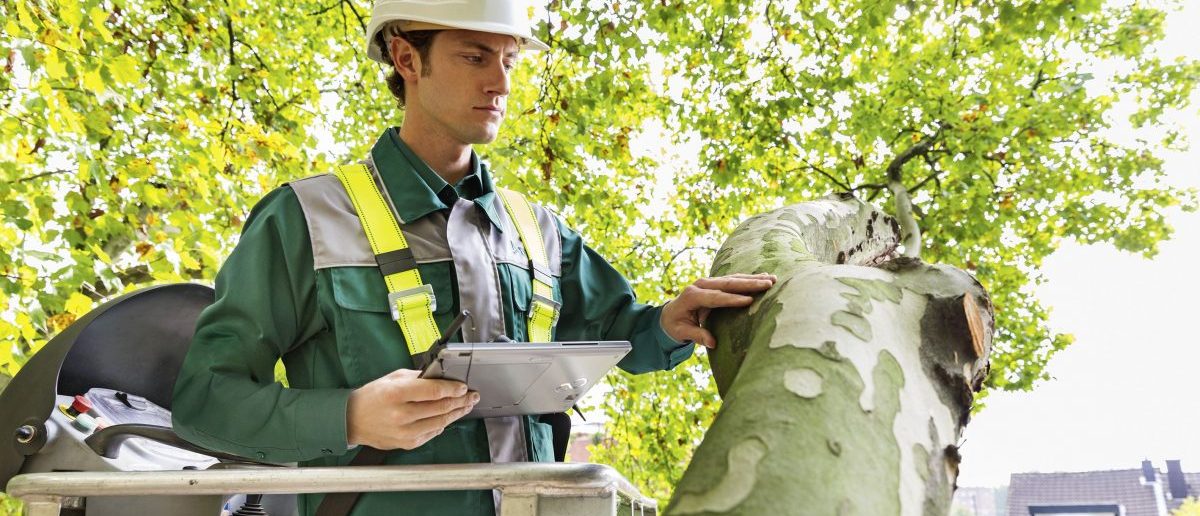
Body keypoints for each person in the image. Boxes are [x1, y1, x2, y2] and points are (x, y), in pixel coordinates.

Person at [171, 1, 776, 515]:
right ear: (407, 58)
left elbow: (626, 333)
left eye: (509, 60)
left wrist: (669, 322)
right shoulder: (305, 220)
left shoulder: (538, 231)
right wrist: (350, 417)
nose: (501, 83)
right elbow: (206, 403)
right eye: (474, 57)